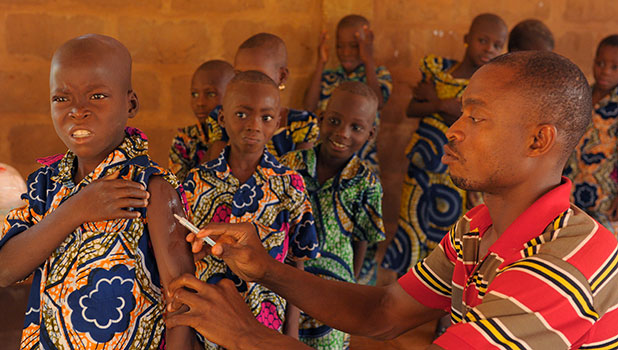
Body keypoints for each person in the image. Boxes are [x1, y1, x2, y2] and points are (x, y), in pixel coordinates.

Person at [168, 51, 618, 350]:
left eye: (476, 116)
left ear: (539, 140)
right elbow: (385, 312)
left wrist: (245, 333)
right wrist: (265, 268)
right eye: (461, 112)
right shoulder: (478, 228)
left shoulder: (562, 266)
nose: (454, 128)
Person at [0, 34, 199, 349]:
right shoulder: (45, 184)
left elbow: (183, 301)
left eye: (97, 96)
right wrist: (76, 209)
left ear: (131, 103)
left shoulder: (151, 188)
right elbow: (5, 271)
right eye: (61, 98)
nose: (77, 110)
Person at [181, 71, 320, 349]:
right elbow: (183, 256)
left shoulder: (290, 184)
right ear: (222, 118)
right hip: (206, 323)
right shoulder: (196, 182)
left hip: (266, 324)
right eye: (242, 114)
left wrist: (290, 331)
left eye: (266, 118)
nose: (254, 125)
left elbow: (298, 264)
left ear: (278, 122)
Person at [383, 13, 507, 277]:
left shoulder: (489, 87)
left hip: (457, 175)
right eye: (482, 40)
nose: (488, 49)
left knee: (449, 239)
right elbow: (412, 108)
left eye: (497, 45)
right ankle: (401, 295)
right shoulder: (438, 70)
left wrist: (438, 104)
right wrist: (442, 105)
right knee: (410, 227)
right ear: (467, 39)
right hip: (422, 166)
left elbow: (477, 123)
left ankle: (441, 310)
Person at [280, 81, 385, 349]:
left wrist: (353, 290)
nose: (342, 134)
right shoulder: (289, 167)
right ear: (321, 119)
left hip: (335, 292)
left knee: (331, 343)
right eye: (335, 121)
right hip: (284, 280)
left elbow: (363, 240)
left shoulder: (367, 183)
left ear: (370, 134)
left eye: (356, 128)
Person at [204, 33, 319, 161]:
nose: (247, 82)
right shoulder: (224, 116)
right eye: (239, 74)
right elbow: (213, 169)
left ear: (282, 77)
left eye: (258, 75)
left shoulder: (300, 124)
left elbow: (302, 175)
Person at [304, 14, 393, 179]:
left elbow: (379, 101)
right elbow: (309, 107)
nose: (346, 52)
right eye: (340, 46)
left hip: (364, 160)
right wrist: (321, 63)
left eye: (354, 46)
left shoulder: (378, 74)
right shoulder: (329, 77)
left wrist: (368, 59)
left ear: (367, 45)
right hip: (327, 161)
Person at [566, 34, 618, 234]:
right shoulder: (582, 95)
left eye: (614, 67)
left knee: (603, 244)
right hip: (572, 188)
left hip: (604, 195)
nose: (605, 71)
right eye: (600, 63)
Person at [169, 60, 234, 183]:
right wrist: (217, 141)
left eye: (210, 94)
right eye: (194, 94)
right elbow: (179, 189)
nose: (200, 103)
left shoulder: (242, 137)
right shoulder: (184, 139)